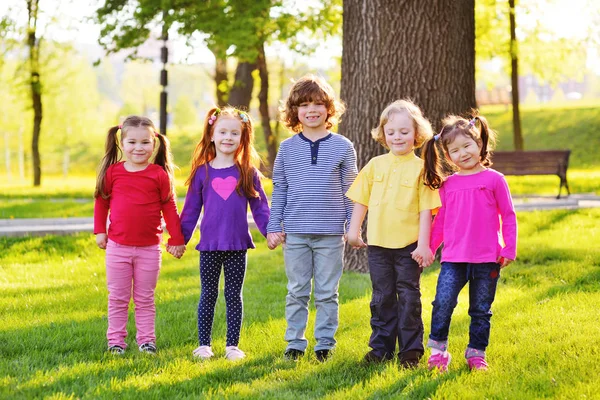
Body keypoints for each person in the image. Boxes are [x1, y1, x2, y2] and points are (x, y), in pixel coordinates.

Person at [266, 74, 358, 362]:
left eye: (318, 103)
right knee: (297, 290)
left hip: (331, 233)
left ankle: (324, 345)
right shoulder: (287, 148)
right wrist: (273, 225)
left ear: (329, 109)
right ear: (295, 112)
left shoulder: (343, 146)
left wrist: (353, 227)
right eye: (304, 104)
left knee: (328, 292)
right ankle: (294, 342)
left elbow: (350, 189)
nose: (311, 109)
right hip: (295, 232)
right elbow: (280, 187)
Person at [345, 99, 441, 368]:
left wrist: (424, 245)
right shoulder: (375, 165)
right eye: (391, 132)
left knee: (409, 297)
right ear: (383, 135)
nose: (397, 137)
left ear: (417, 134)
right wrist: (353, 231)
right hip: (377, 246)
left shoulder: (422, 168)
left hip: (409, 246)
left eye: (404, 131)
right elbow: (361, 200)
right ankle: (381, 348)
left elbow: (426, 211)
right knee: (381, 297)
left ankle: (410, 351)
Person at [421, 114, 517, 371]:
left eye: (467, 146)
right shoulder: (448, 185)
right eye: (455, 150)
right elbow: (439, 222)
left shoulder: (495, 179)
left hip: (488, 259)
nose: (463, 153)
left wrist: (509, 248)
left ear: (479, 144)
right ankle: (438, 351)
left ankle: (476, 352)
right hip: (454, 258)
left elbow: (508, 215)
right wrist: (430, 248)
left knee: (481, 310)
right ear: (448, 156)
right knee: (442, 303)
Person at [180, 106, 270, 361]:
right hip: (209, 246)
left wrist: (271, 232)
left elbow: (261, 208)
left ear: (243, 138)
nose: (228, 138)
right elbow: (190, 211)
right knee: (208, 294)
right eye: (222, 132)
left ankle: (232, 346)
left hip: (237, 246)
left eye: (234, 133)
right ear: (211, 134)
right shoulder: (202, 172)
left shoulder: (247, 172)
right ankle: (203, 345)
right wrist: (179, 240)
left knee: (233, 295)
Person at [94, 115, 186, 355]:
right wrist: (99, 231)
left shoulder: (159, 174)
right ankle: (116, 342)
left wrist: (176, 239)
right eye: (132, 142)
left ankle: (147, 341)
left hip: (149, 249)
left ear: (154, 143)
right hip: (117, 247)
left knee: (145, 298)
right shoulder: (113, 173)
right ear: (122, 143)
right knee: (118, 298)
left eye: (145, 142)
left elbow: (169, 207)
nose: (138, 148)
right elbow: (101, 203)